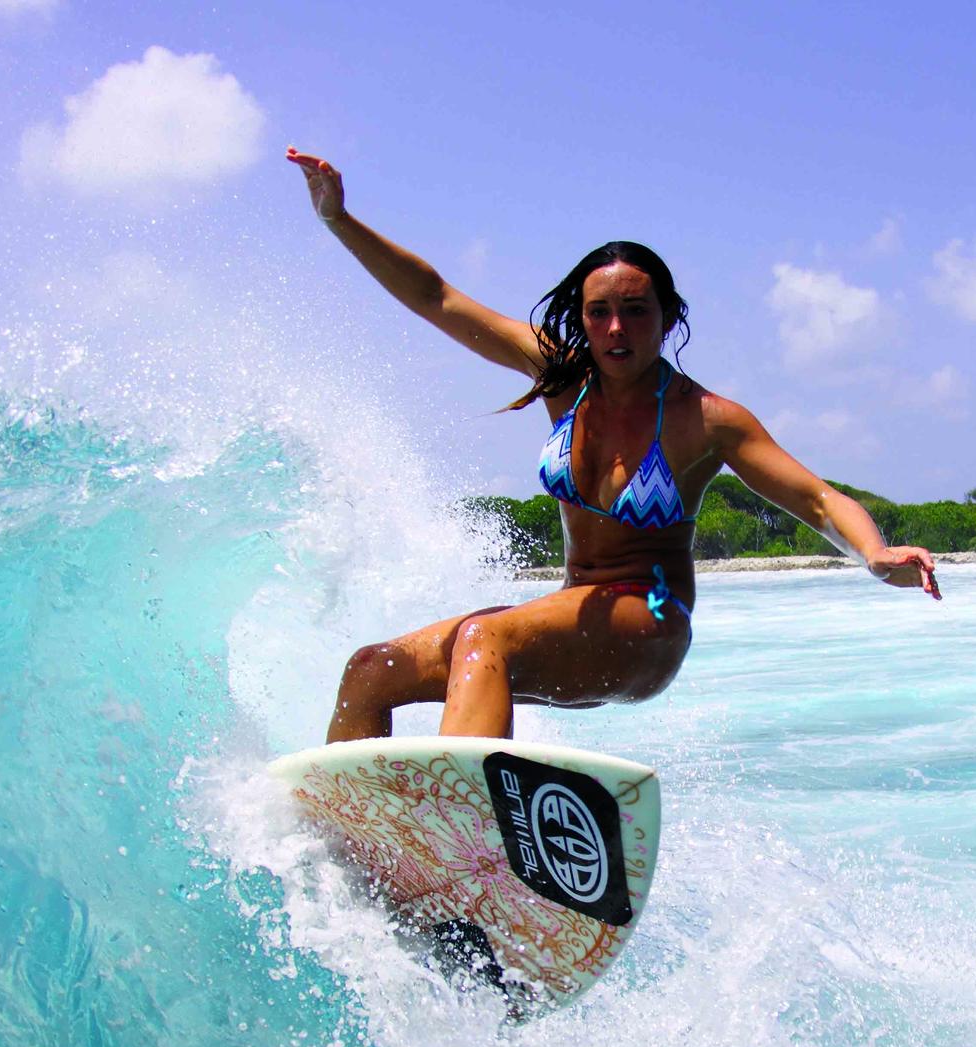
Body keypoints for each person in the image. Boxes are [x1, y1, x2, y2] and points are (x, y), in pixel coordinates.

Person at [288, 147, 941, 743]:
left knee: (485, 636)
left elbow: (819, 500)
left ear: (668, 318)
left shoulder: (704, 419)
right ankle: (352, 830)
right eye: (599, 312)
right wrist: (339, 220)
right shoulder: (561, 380)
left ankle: (471, 824)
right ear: (582, 318)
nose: (616, 328)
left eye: (635, 310)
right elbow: (437, 297)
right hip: (569, 622)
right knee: (370, 670)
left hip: (650, 626)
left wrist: (875, 553)